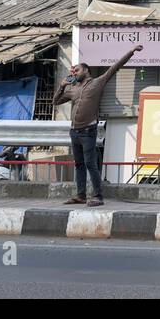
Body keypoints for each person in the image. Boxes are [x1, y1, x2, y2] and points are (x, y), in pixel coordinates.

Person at [53, 44, 143, 207]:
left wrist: (131, 52)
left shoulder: (97, 83)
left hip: (88, 131)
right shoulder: (73, 89)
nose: (74, 73)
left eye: (77, 70)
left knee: (90, 164)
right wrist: (62, 85)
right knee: (79, 164)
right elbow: (55, 102)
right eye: (73, 71)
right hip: (74, 131)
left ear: (86, 70)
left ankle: (98, 196)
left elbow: (115, 67)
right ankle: (80, 195)